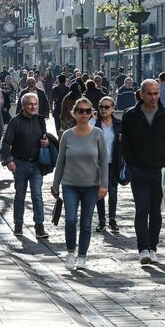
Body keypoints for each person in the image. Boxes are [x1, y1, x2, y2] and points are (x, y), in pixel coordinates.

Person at [120, 79, 165, 265]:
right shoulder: (131, 115)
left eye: (156, 93)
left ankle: (153, 247)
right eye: (150, 94)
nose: (154, 97)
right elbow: (125, 144)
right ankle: (143, 248)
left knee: (155, 212)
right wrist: (133, 165)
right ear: (141, 94)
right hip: (139, 171)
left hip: (159, 171)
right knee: (141, 210)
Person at [51, 97, 108, 270]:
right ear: (74, 113)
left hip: (91, 185)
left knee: (86, 222)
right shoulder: (67, 136)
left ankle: (82, 255)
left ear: (92, 113)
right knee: (70, 219)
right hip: (70, 184)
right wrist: (55, 184)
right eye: (81, 111)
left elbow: (104, 160)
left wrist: (104, 184)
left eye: (87, 111)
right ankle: (70, 252)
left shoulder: (97, 133)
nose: (84, 114)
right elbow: (60, 161)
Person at [1, 92, 51, 239]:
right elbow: (5, 143)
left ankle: (39, 227)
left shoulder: (40, 120)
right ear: (23, 106)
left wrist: (46, 142)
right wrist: (9, 160)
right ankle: (18, 225)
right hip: (20, 164)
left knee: (37, 195)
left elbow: (45, 137)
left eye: (35, 104)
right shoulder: (15, 122)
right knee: (20, 195)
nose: (33, 107)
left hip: (36, 164)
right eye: (30, 104)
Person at [94, 96, 121, 232]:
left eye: (106, 107)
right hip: (98, 164)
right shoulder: (94, 124)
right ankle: (101, 221)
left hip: (114, 163)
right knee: (100, 192)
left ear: (112, 109)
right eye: (101, 107)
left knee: (113, 191)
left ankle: (112, 219)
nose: (103, 109)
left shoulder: (118, 125)